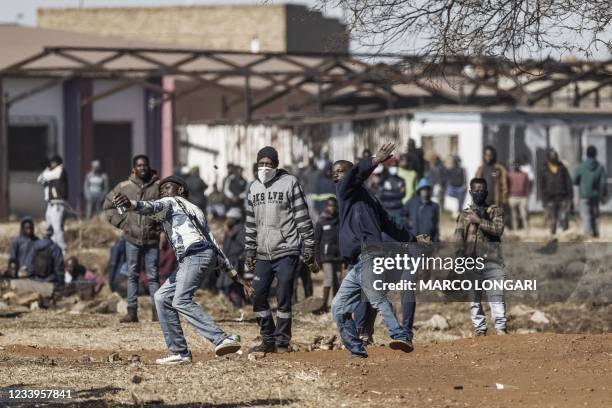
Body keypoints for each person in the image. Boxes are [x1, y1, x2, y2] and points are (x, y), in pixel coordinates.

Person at [113, 176, 252, 364]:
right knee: (161, 297)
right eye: (160, 189)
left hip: (194, 254)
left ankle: (221, 338)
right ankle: (180, 352)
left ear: (179, 191)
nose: (162, 191)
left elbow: (151, 207)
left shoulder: (171, 202)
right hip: (201, 255)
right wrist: (236, 277)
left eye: (167, 187)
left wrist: (130, 203)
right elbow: (215, 245)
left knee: (181, 300)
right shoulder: (196, 211)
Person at [331, 143, 415, 358]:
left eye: (341, 172)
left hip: (371, 254)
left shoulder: (367, 197)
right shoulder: (344, 193)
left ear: (351, 173)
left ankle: (401, 335)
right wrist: (375, 160)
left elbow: (390, 225)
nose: (337, 177)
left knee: (376, 297)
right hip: (357, 262)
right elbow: (353, 177)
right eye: (334, 173)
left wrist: (412, 239)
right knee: (338, 307)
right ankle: (357, 350)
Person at [245, 146, 315, 354]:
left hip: (287, 249)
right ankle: (268, 338)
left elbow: (302, 216)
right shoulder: (253, 188)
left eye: (268, 164)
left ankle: (282, 341)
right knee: (257, 295)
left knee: (284, 295)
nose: (264, 167)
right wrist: (249, 250)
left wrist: (309, 245)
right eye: (261, 164)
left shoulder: (290, 183)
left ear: (275, 165)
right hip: (262, 254)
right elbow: (250, 223)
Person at [103, 155, 161, 323]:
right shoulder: (124, 187)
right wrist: (122, 223)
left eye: (145, 165)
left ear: (149, 167)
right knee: (132, 275)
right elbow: (108, 206)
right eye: (139, 165)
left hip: (152, 239)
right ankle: (131, 312)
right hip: (131, 238)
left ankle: (157, 313)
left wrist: (161, 229)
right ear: (133, 169)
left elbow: (168, 209)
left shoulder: (158, 187)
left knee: (153, 277)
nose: (143, 168)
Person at [454, 178, 507, 336]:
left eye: (482, 191)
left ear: (487, 192)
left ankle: (501, 328)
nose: (479, 194)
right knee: (474, 299)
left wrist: (479, 221)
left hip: (492, 260)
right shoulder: (464, 215)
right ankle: (480, 330)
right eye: (476, 191)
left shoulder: (494, 211)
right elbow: (458, 239)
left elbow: (498, 229)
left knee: (496, 296)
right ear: (470, 192)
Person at [314, 197, 342, 313]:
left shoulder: (340, 220)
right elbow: (316, 241)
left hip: (339, 256)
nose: (332, 208)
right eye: (330, 206)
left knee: (338, 281)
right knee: (329, 280)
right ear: (326, 206)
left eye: (334, 206)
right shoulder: (321, 222)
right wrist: (317, 258)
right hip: (326, 256)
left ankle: (336, 306)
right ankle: (324, 305)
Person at [574, 145, 608, 238]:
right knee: (595, 215)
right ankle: (596, 233)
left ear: (586, 154)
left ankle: (588, 234)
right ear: (596, 154)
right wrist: (603, 195)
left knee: (586, 216)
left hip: (584, 196)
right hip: (595, 196)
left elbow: (575, 180)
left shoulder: (581, 166)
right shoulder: (600, 167)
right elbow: (603, 183)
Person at [37, 155, 68, 252]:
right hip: (51, 205)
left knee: (57, 228)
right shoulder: (52, 172)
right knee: (48, 227)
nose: (51, 164)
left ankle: (63, 249)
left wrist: (46, 169)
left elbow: (45, 176)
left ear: (58, 162)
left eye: (53, 162)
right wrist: (47, 169)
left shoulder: (60, 170)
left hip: (57, 204)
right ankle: (53, 247)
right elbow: (39, 179)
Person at [218, 207, 246, 309]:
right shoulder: (229, 230)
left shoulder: (240, 231)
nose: (227, 220)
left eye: (230, 218)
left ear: (235, 219)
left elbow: (246, 247)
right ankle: (234, 305)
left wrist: (241, 257)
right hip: (228, 262)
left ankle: (237, 306)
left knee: (233, 284)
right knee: (228, 284)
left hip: (235, 264)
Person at [541, 150, 572, 236]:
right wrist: (544, 200)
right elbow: (543, 187)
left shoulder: (563, 169)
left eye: (555, 156)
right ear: (548, 158)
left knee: (564, 217)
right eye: (552, 156)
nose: (554, 158)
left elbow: (568, 183)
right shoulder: (544, 170)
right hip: (550, 198)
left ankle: (565, 236)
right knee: (553, 219)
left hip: (562, 197)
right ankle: (553, 235)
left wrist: (570, 196)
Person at [26, 226, 65, 293]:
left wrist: (31, 278)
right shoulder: (55, 248)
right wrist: (60, 282)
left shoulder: (34, 246)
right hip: (51, 282)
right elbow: (59, 267)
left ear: (40, 233)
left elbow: (29, 264)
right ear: (52, 233)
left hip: (35, 282)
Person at [378, 157, 406, 224]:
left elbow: (402, 194)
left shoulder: (401, 180)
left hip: (398, 209)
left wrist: (389, 193)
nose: (394, 168)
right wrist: (396, 193)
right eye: (392, 166)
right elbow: (381, 194)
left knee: (399, 231)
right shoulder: (384, 180)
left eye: (395, 166)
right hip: (387, 209)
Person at [508, 160, 532, 231]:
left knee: (524, 215)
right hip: (512, 197)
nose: (515, 166)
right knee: (514, 215)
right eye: (514, 165)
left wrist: (527, 194)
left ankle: (526, 230)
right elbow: (506, 185)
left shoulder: (525, 174)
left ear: (520, 165)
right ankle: (515, 230)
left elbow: (528, 185)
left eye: (517, 164)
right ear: (512, 166)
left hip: (523, 197)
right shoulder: (509, 175)